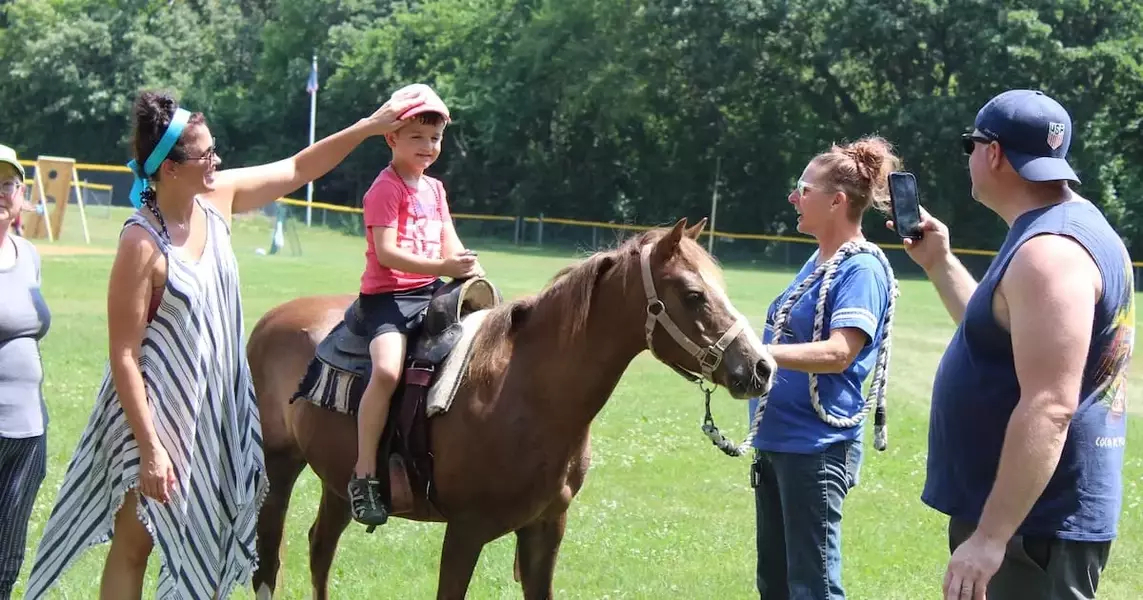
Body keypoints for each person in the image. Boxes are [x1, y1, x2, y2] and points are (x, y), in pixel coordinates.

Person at [23, 86, 431, 599]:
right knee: (135, 545)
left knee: (202, 544)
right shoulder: (140, 242)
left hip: (211, 412)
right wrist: (151, 450)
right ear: (169, 167)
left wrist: (370, 126)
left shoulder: (216, 198)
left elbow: (300, 167)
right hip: (150, 415)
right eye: (205, 154)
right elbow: (124, 355)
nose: (216, 161)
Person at [893, 89, 1133, 600]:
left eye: (970, 144)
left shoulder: (1051, 254)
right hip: (1029, 522)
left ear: (994, 153)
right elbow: (1002, 335)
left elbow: (1050, 406)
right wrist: (939, 262)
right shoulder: (1056, 232)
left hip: (1034, 529)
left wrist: (991, 537)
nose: (971, 157)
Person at [747, 136, 900, 599]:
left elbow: (840, 353)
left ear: (837, 201)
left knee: (813, 587)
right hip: (781, 442)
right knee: (774, 584)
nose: (794, 197)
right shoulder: (819, 262)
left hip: (815, 448)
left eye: (803, 188)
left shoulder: (861, 269)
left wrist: (757, 352)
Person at [347, 83, 483, 528]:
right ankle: (365, 472)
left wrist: (465, 266)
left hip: (430, 290)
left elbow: (450, 241)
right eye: (417, 137)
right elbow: (386, 253)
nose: (428, 147)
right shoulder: (384, 189)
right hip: (387, 298)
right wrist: (442, 263)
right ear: (392, 138)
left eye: (435, 138)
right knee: (387, 371)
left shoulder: (436, 190)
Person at [0, 144, 50, 600]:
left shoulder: (29, 253)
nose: (0, 192)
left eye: (7, 184)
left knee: (8, 553)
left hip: (29, 430)